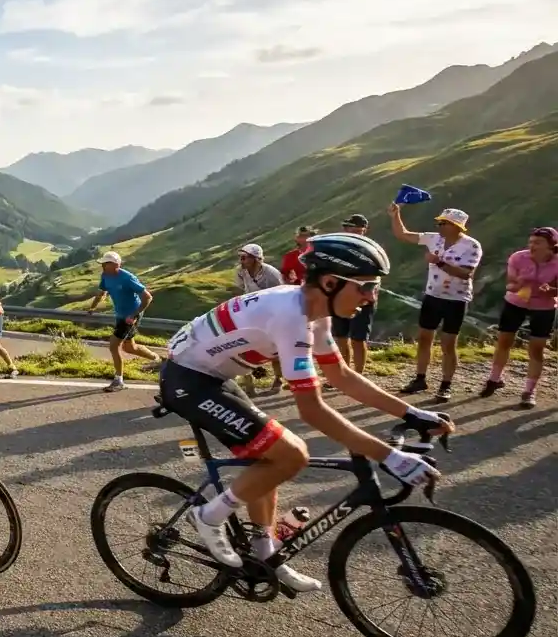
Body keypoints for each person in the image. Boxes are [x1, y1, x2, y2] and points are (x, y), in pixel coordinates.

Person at [161, 232, 451, 592]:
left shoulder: (315, 313)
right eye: (365, 286)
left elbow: (341, 375)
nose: (371, 297)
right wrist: (389, 456)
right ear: (330, 282)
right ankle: (208, 516)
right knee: (291, 454)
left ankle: (264, 552)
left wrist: (411, 413)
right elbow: (312, 410)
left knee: (270, 455)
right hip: (188, 380)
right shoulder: (291, 318)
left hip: (214, 375)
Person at [388, 204, 483, 401]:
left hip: (456, 299)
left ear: (457, 226)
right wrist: (395, 215)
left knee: (448, 343)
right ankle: (420, 379)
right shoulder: (434, 238)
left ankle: (445, 385)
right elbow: (403, 235)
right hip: (432, 295)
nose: (439, 225)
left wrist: (438, 262)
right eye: (439, 222)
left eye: (443, 223)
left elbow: (467, 274)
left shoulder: (472, 245)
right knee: (424, 338)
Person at [482, 227, 558, 408]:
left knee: (536, 349)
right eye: (530, 242)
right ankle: (494, 379)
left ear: (551, 246)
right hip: (515, 303)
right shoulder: (518, 257)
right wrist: (519, 283)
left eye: (537, 243)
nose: (532, 246)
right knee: (504, 341)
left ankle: (529, 392)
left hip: (544, 307)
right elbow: (509, 285)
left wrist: (551, 290)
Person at [86, 251, 162, 392]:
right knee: (129, 347)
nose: (102, 265)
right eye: (102, 263)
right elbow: (102, 293)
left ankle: (118, 380)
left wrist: (134, 315)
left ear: (115, 265)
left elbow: (148, 297)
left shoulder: (128, 278)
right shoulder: (105, 276)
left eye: (105, 263)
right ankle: (157, 358)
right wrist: (93, 307)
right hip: (120, 314)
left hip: (131, 315)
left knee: (114, 345)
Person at [234, 244, 286, 394]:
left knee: (274, 347)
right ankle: (249, 382)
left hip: (271, 311)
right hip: (250, 310)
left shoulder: (271, 273)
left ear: (255, 259)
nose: (241, 260)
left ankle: (278, 378)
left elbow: (280, 294)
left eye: (244, 258)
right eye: (240, 257)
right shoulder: (240, 271)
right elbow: (239, 291)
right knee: (246, 345)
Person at [332, 215, 376, 373]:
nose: (357, 234)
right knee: (341, 338)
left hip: (362, 298)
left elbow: (378, 275)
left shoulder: (372, 249)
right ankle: (344, 373)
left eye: (360, 231)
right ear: (345, 229)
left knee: (358, 339)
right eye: (353, 230)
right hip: (340, 298)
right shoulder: (337, 248)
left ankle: (359, 375)